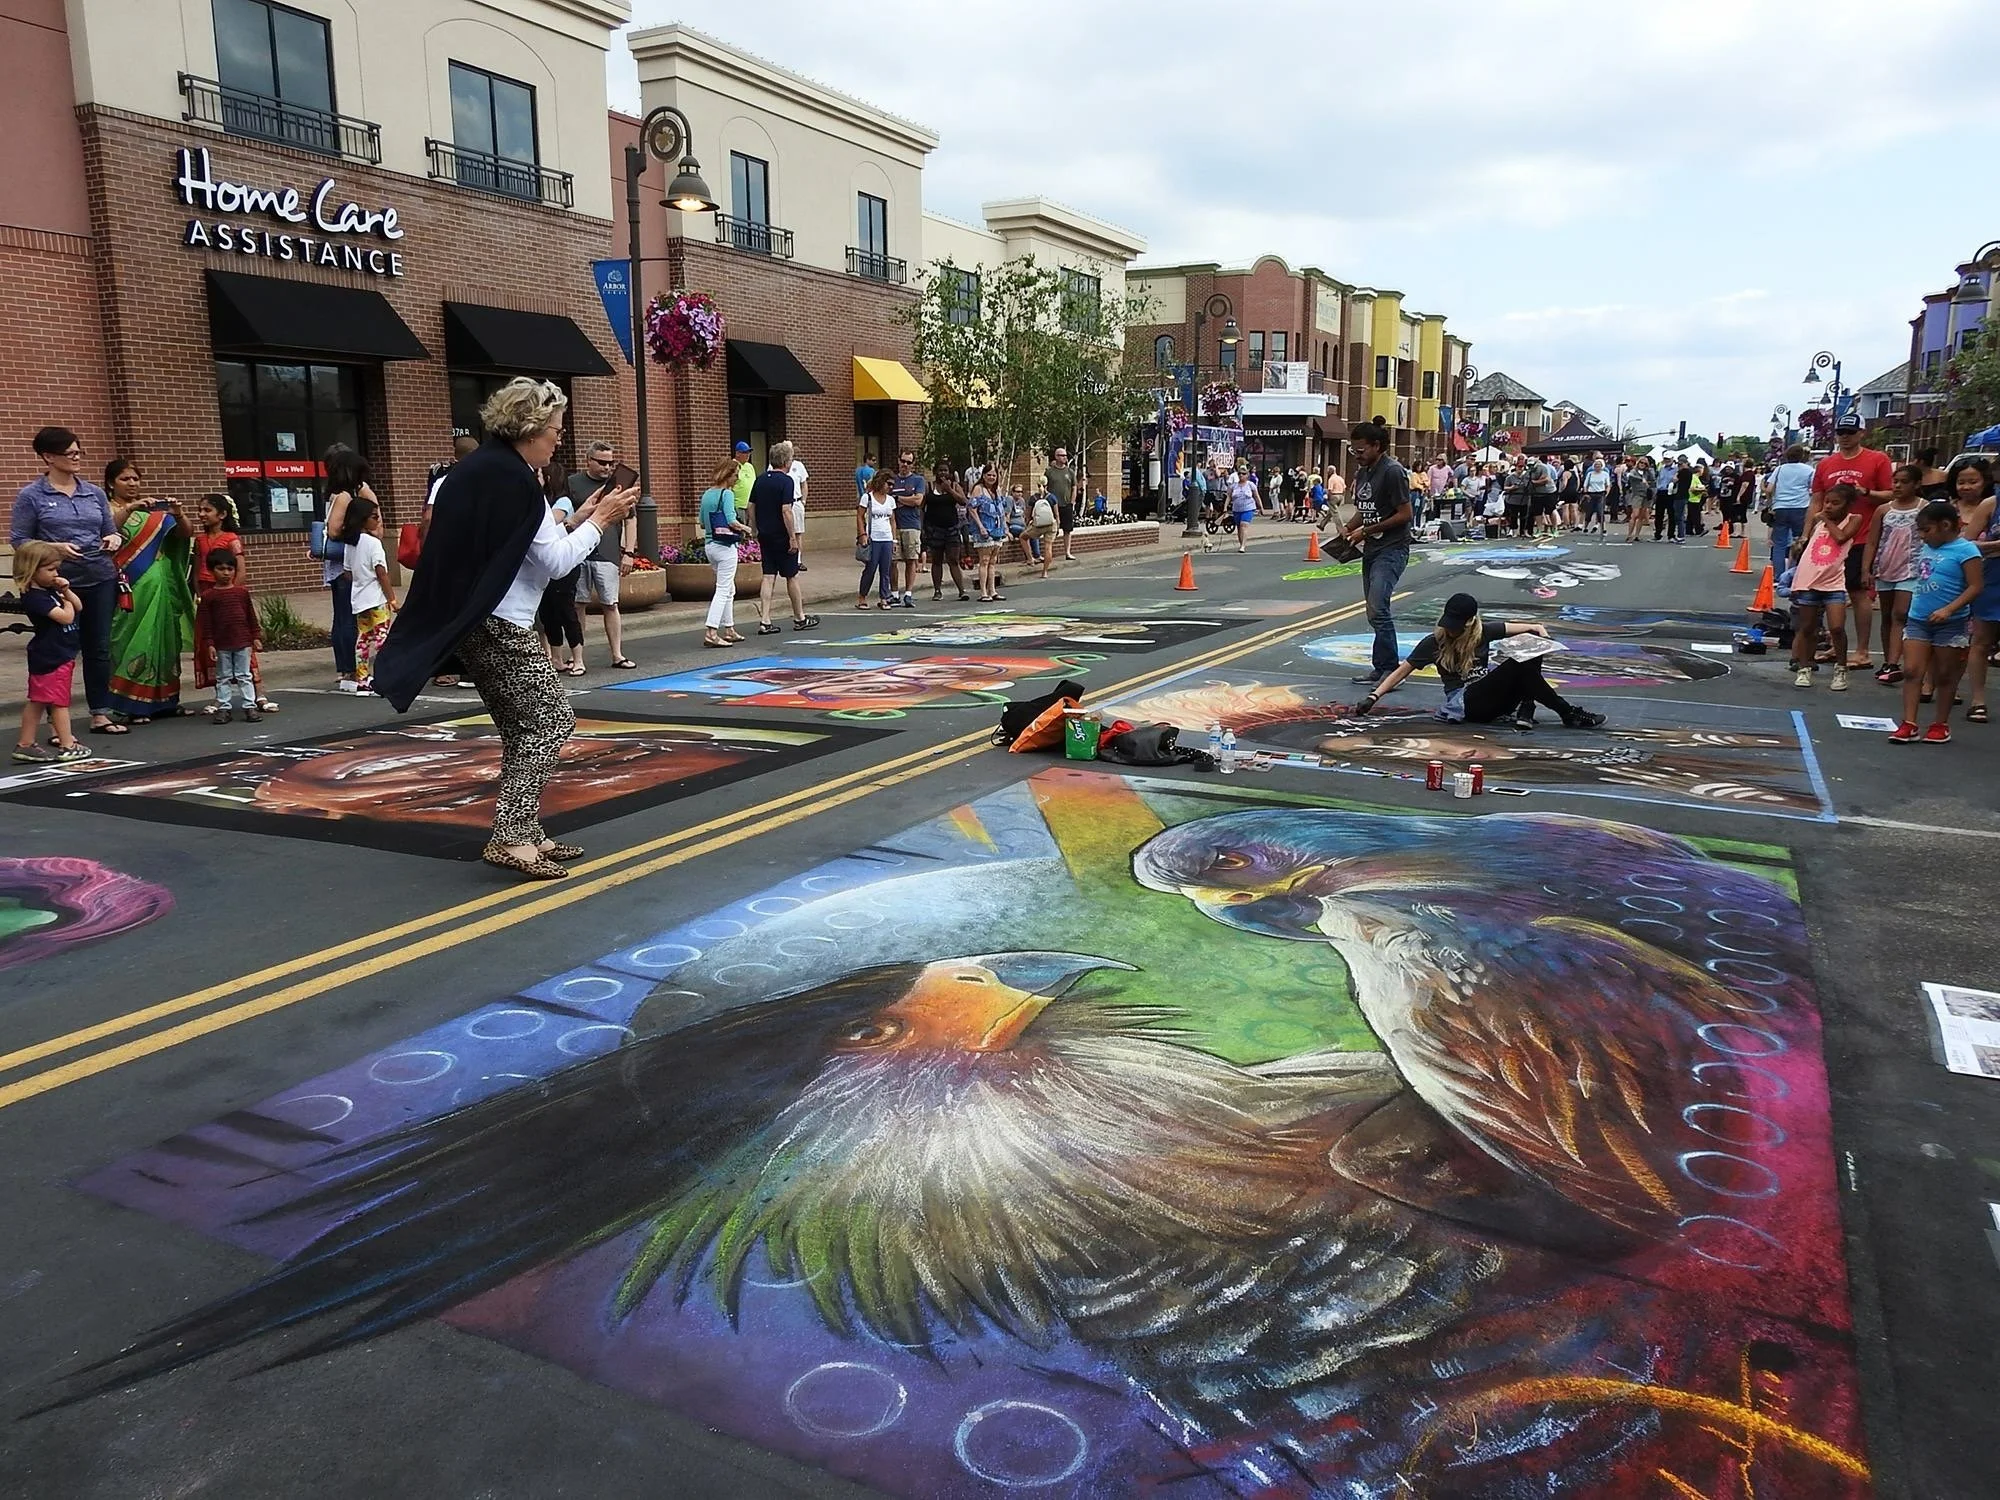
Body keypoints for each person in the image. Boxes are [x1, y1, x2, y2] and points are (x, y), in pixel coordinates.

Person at [373, 377, 639, 879]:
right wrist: (600, 520)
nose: (559, 439)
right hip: (503, 622)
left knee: (523, 727)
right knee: (549, 722)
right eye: (555, 431)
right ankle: (512, 835)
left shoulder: (484, 471)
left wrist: (576, 517)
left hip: (479, 619)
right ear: (530, 428)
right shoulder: (515, 480)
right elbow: (557, 564)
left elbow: (524, 549)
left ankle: (527, 829)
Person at [1352, 591, 1606, 731]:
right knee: (1518, 666)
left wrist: (1542, 634)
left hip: (1495, 701)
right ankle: (1566, 713)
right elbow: (1402, 670)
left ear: (1471, 621)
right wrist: (1374, 697)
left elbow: (1533, 628)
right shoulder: (1435, 641)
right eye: (1448, 625)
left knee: (1528, 653)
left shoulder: (1484, 631)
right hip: (1466, 703)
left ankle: (1531, 706)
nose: (1451, 630)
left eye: (1457, 626)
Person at [11, 427, 123, 736]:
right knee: (59, 649)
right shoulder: (31, 496)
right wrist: (53, 550)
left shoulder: (94, 493)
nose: (76, 458)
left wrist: (113, 538)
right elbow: (19, 540)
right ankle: (54, 718)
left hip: (99, 577)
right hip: (55, 584)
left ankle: (101, 712)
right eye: (69, 453)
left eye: (78, 452)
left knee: (98, 647)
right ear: (48, 457)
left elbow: (110, 528)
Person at [103, 459, 194, 722]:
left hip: (162, 587)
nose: (132, 484)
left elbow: (184, 535)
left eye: (135, 479)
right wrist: (131, 508)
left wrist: (178, 513)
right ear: (111, 483)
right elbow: (108, 531)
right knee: (129, 640)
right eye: (125, 479)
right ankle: (129, 705)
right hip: (129, 588)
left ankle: (165, 702)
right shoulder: (108, 509)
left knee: (165, 641)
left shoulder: (153, 514)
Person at [1888, 501, 1984, 744]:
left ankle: (1940, 723)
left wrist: (1949, 609)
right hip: (1919, 617)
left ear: (1946, 525)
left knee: (1944, 675)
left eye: (1926, 530)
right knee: (1912, 671)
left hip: (1951, 622)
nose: (1922, 535)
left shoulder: (1966, 551)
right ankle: (1909, 722)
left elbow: (1975, 586)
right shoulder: (1928, 548)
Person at [1811, 414, 1895, 670]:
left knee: (1858, 593)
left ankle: (1862, 651)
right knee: (1824, 591)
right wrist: (1808, 531)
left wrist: (1865, 492)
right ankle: (1835, 647)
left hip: (1862, 536)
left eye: (1850, 432)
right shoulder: (1826, 463)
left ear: (1861, 433)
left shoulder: (1877, 459)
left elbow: (1891, 494)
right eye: (1841, 432)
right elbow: (1817, 499)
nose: (1844, 437)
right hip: (1828, 538)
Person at [1343, 418, 1413, 687]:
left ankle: (1391, 671)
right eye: (1353, 451)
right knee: (1373, 610)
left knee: (1379, 607)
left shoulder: (1393, 471)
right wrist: (1350, 528)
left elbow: (1405, 514)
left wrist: (1367, 531)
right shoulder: (1364, 472)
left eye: (1360, 451)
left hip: (1392, 548)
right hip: (1372, 548)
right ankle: (1381, 666)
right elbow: (1366, 507)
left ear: (1377, 446)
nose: (1356, 456)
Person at [12, 541, 92, 762]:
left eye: (57, 569)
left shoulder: (49, 590)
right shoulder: (35, 597)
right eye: (50, 570)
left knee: (38, 700)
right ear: (32, 569)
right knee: (59, 702)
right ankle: (67, 744)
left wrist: (65, 590)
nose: (55, 574)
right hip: (52, 655)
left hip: (56, 652)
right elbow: (67, 616)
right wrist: (65, 598)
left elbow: (79, 606)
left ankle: (25, 743)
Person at [563, 440, 638, 670]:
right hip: (580, 552)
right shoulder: (573, 483)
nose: (607, 467)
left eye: (610, 463)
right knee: (579, 604)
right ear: (589, 461)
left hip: (607, 553)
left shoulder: (617, 486)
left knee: (610, 603)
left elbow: (630, 518)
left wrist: (629, 552)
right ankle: (578, 658)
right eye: (602, 462)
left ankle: (617, 654)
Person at [1786, 482, 1863, 692]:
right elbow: (1808, 547)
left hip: (1834, 581)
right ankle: (1805, 667)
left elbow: (1841, 537)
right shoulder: (1818, 523)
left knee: (1836, 627)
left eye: (1835, 503)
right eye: (1827, 502)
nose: (1828, 506)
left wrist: (1825, 519)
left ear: (1847, 505)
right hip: (1811, 579)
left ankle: (1841, 667)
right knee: (1808, 627)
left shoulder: (1853, 519)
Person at [1860, 464, 1925, 685]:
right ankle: (1888, 660)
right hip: (1886, 567)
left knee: (1900, 614)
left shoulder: (1923, 508)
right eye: (1895, 481)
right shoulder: (1883, 510)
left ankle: (1895, 662)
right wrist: (1866, 568)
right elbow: (1872, 541)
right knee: (1887, 616)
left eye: (1904, 482)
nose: (1897, 486)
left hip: (1912, 569)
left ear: (1917, 484)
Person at [751, 440, 818, 635]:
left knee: (768, 576)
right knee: (791, 575)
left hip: (765, 534)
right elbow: (786, 510)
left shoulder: (760, 479)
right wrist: (792, 537)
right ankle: (800, 617)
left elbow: (751, 506)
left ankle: (765, 619)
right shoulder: (786, 481)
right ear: (786, 461)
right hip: (781, 535)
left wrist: (755, 529)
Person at [1954, 459, 1998, 723]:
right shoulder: (1991, 505)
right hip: (1993, 576)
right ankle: (1978, 700)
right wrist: (1995, 545)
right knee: (1981, 640)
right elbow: (1967, 544)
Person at [197, 550, 262, 722]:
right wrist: (210, 643)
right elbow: (207, 623)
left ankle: (250, 706)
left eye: (230, 569)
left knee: (244, 675)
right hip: (221, 643)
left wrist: (255, 636)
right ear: (212, 571)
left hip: (242, 641)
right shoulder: (208, 596)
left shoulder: (241, 593)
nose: (226, 573)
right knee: (223, 676)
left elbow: (250, 616)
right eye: (221, 569)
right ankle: (224, 707)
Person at [339, 495, 395, 692]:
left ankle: (362, 681)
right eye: (374, 516)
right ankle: (386, 678)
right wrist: (392, 599)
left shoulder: (350, 544)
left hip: (359, 598)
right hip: (377, 599)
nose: (377, 520)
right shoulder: (373, 543)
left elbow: (347, 573)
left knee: (363, 639)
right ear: (363, 518)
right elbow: (381, 572)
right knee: (382, 639)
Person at [697, 457, 746, 648]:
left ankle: (729, 628)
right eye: (735, 475)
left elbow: (702, 522)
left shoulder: (707, 494)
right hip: (726, 547)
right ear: (728, 475)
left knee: (729, 588)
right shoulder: (727, 494)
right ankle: (711, 631)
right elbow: (732, 521)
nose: (737, 479)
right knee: (724, 589)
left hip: (710, 545)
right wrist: (746, 529)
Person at [922, 461, 969, 602]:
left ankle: (961, 590)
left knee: (953, 560)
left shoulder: (954, 485)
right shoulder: (929, 486)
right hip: (934, 528)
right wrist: (922, 527)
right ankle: (937, 591)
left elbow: (963, 501)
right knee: (936, 561)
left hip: (951, 528)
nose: (943, 473)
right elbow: (922, 508)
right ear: (935, 471)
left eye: (945, 470)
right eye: (940, 470)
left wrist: (949, 490)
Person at [1765, 444, 1816, 564]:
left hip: (1780, 507)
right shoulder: (1809, 470)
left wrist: (1770, 504)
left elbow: (1769, 489)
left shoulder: (1780, 469)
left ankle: (1778, 576)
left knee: (1779, 544)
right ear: (1802, 456)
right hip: (1800, 507)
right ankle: (1794, 571)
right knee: (1799, 540)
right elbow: (1814, 489)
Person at [855, 469, 898, 609]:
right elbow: (860, 516)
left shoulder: (890, 501)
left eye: (892, 485)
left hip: (886, 537)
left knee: (885, 570)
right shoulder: (867, 498)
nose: (890, 487)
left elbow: (892, 521)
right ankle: (862, 596)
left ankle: (884, 597)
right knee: (870, 569)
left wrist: (894, 540)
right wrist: (862, 534)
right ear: (881, 482)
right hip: (873, 538)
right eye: (888, 484)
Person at [889, 449, 925, 608]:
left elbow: (917, 501)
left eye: (909, 462)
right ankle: (894, 594)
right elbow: (885, 499)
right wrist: (906, 500)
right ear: (898, 460)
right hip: (893, 524)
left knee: (911, 559)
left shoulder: (918, 480)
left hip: (912, 525)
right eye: (903, 461)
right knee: (892, 560)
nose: (905, 465)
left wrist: (898, 498)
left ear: (913, 464)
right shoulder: (892, 480)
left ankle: (908, 594)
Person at [968, 468, 1006, 601]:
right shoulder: (978, 489)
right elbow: (972, 508)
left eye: (994, 475)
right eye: (988, 475)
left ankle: (993, 590)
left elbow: (1002, 509)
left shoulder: (997, 490)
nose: (991, 477)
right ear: (983, 476)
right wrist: (980, 526)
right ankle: (983, 592)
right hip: (984, 528)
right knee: (984, 560)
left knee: (993, 561)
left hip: (997, 528)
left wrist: (1004, 526)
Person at [1045, 447, 1076, 559]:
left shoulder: (1070, 472)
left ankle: (1067, 552)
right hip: (1053, 505)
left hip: (1066, 504)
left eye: (1065, 456)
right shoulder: (1049, 472)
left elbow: (1074, 487)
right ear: (1056, 456)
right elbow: (1045, 487)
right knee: (1052, 529)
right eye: (1062, 455)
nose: (1065, 458)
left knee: (1067, 529)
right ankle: (1049, 553)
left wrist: (1072, 502)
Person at [1024, 482, 1058, 577]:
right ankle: (1045, 572)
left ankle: (1030, 558)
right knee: (1048, 548)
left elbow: (1028, 514)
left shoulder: (1033, 498)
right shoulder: (1052, 498)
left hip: (1038, 525)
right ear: (1047, 485)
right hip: (1051, 525)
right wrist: (1058, 525)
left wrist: (1027, 525)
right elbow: (1056, 514)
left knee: (1023, 537)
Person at [787, 449, 810, 573]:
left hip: (796, 502)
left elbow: (804, 484)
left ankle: (798, 560)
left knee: (798, 533)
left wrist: (803, 501)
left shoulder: (798, 465)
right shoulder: (774, 465)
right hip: (783, 503)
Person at [1622, 457, 1654, 542]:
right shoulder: (1634, 471)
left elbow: (1653, 480)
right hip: (1637, 495)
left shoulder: (1647, 472)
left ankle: (1637, 535)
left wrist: (1649, 470)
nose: (1642, 464)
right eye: (1641, 463)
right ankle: (1629, 534)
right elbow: (1631, 476)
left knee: (1641, 516)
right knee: (1634, 515)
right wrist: (1641, 479)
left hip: (1646, 495)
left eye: (1645, 463)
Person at [1228, 464, 1259, 552]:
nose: (1241, 475)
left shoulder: (1250, 485)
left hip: (1248, 508)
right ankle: (1241, 543)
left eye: (1243, 474)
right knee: (1239, 527)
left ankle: (1243, 546)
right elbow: (1229, 496)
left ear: (1247, 475)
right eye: (1239, 474)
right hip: (1237, 509)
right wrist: (1225, 506)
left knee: (1243, 525)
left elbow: (1256, 496)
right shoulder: (1234, 486)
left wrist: (1261, 507)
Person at [1581, 453, 1611, 535]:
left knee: (1600, 511)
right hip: (1591, 494)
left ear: (1602, 466)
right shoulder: (1590, 474)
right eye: (1596, 465)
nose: (1597, 466)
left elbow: (1608, 485)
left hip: (1601, 494)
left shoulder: (1605, 474)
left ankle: (1603, 528)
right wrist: (1586, 493)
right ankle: (1586, 527)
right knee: (1589, 512)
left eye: (1599, 465)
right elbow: (1585, 484)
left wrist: (1606, 493)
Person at [1652, 457, 1679, 541]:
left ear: (1672, 459)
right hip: (1661, 492)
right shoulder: (1661, 468)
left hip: (1670, 492)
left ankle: (1671, 535)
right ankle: (1657, 535)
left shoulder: (1676, 469)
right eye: (1665, 459)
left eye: (1668, 459)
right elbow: (1658, 480)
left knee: (1671, 515)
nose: (1667, 461)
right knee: (1659, 515)